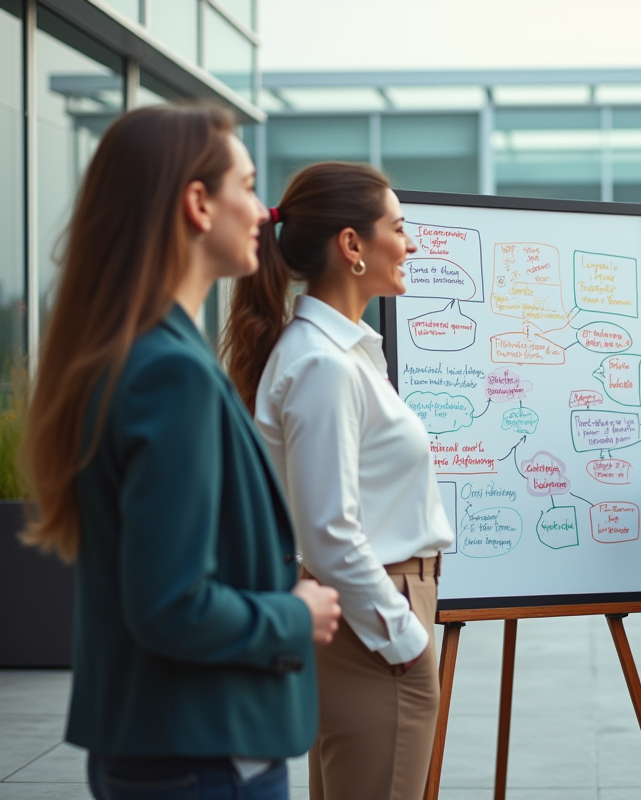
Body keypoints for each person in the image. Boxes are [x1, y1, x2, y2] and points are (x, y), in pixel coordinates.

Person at [20, 104, 341, 800]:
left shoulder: (135, 352)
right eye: (247, 186)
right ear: (198, 204)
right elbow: (171, 604)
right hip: (204, 754)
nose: (263, 212)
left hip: (159, 746)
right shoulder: (171, 372)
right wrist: (296, 615)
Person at [222, 162, 455, 800]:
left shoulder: (337, 354)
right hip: (374, 625)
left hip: (367, 618)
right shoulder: (323, 364)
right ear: (352, 244)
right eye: (398, 228)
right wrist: (404, 640)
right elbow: (329, 532)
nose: (411, 245)